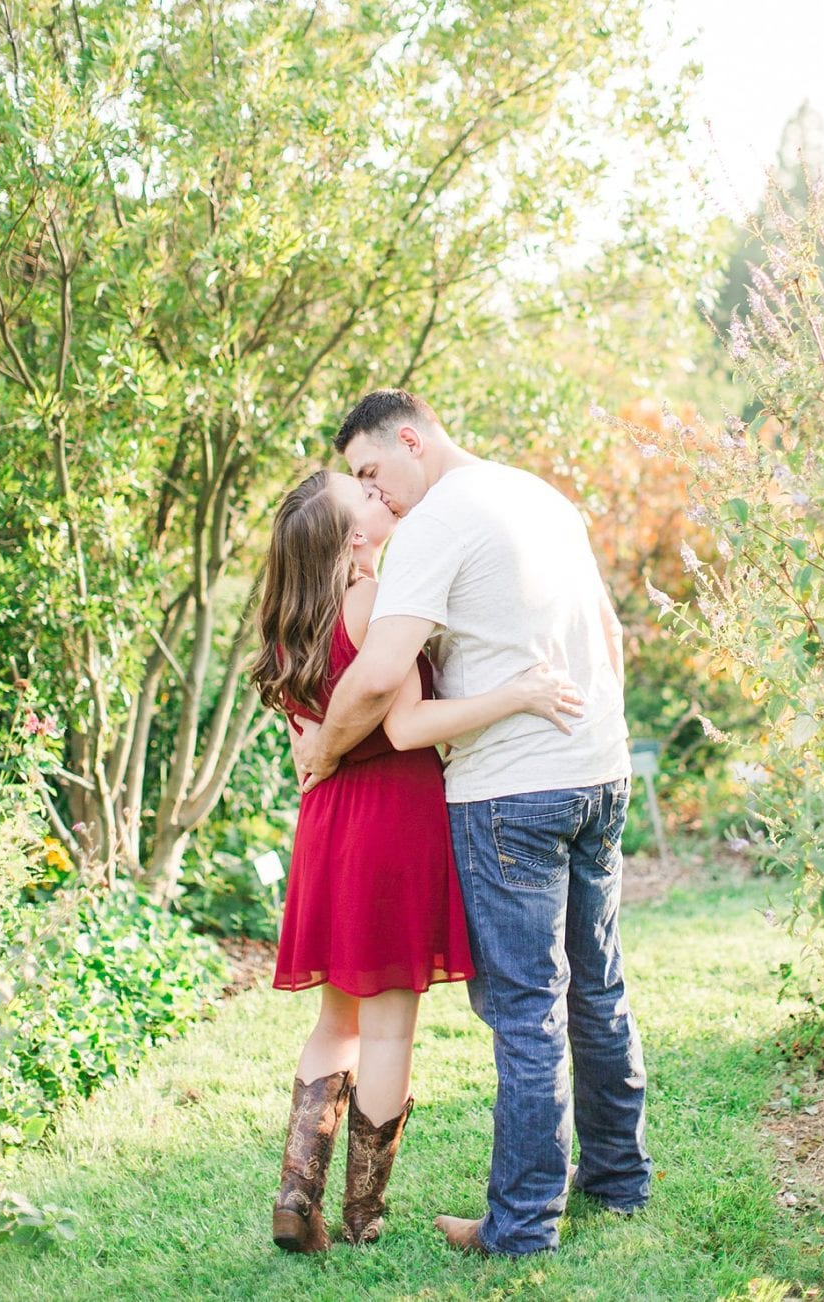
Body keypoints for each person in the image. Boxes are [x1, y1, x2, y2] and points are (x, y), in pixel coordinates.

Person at [296, 387, 651, 1256]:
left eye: (375, 472)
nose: (376, 496)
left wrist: (327, 752)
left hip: (511, 795)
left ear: (411, 440)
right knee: (596, 991)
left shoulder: (437, 523)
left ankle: (523, 1226)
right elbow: (608, 635)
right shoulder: (539, 494)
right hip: (597, 769)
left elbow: (380, 678)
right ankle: (617, 1180)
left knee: (527, 1009)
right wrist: (595, 740)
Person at [251, 468, 585, 1252]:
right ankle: (363, 1216)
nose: (381, 497)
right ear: (354, 539)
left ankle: (297, 1196)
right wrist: (518, 691)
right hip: (392, 819)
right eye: (362, 496)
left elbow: (304, 738)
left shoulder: (288, 623)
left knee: (336, 1019)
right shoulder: (373, 603)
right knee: (390, 1028)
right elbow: (408, 725)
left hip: (327, 824)